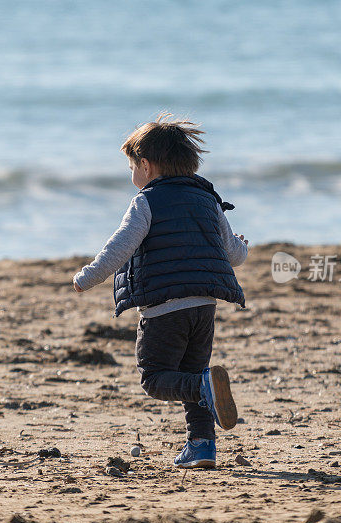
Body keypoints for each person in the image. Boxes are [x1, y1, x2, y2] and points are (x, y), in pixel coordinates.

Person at [72, 113, 249, 469]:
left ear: (146, 165)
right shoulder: (208, 199)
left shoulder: (146, 202)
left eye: (132, 167)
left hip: (164, 309)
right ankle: (201, 447)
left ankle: (204, 389)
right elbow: (233, 252)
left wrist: (87, 277)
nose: (132, 176)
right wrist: (245, 246)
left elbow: (119, 248)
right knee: (193, 373)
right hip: (204, 305)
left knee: (155, 378)